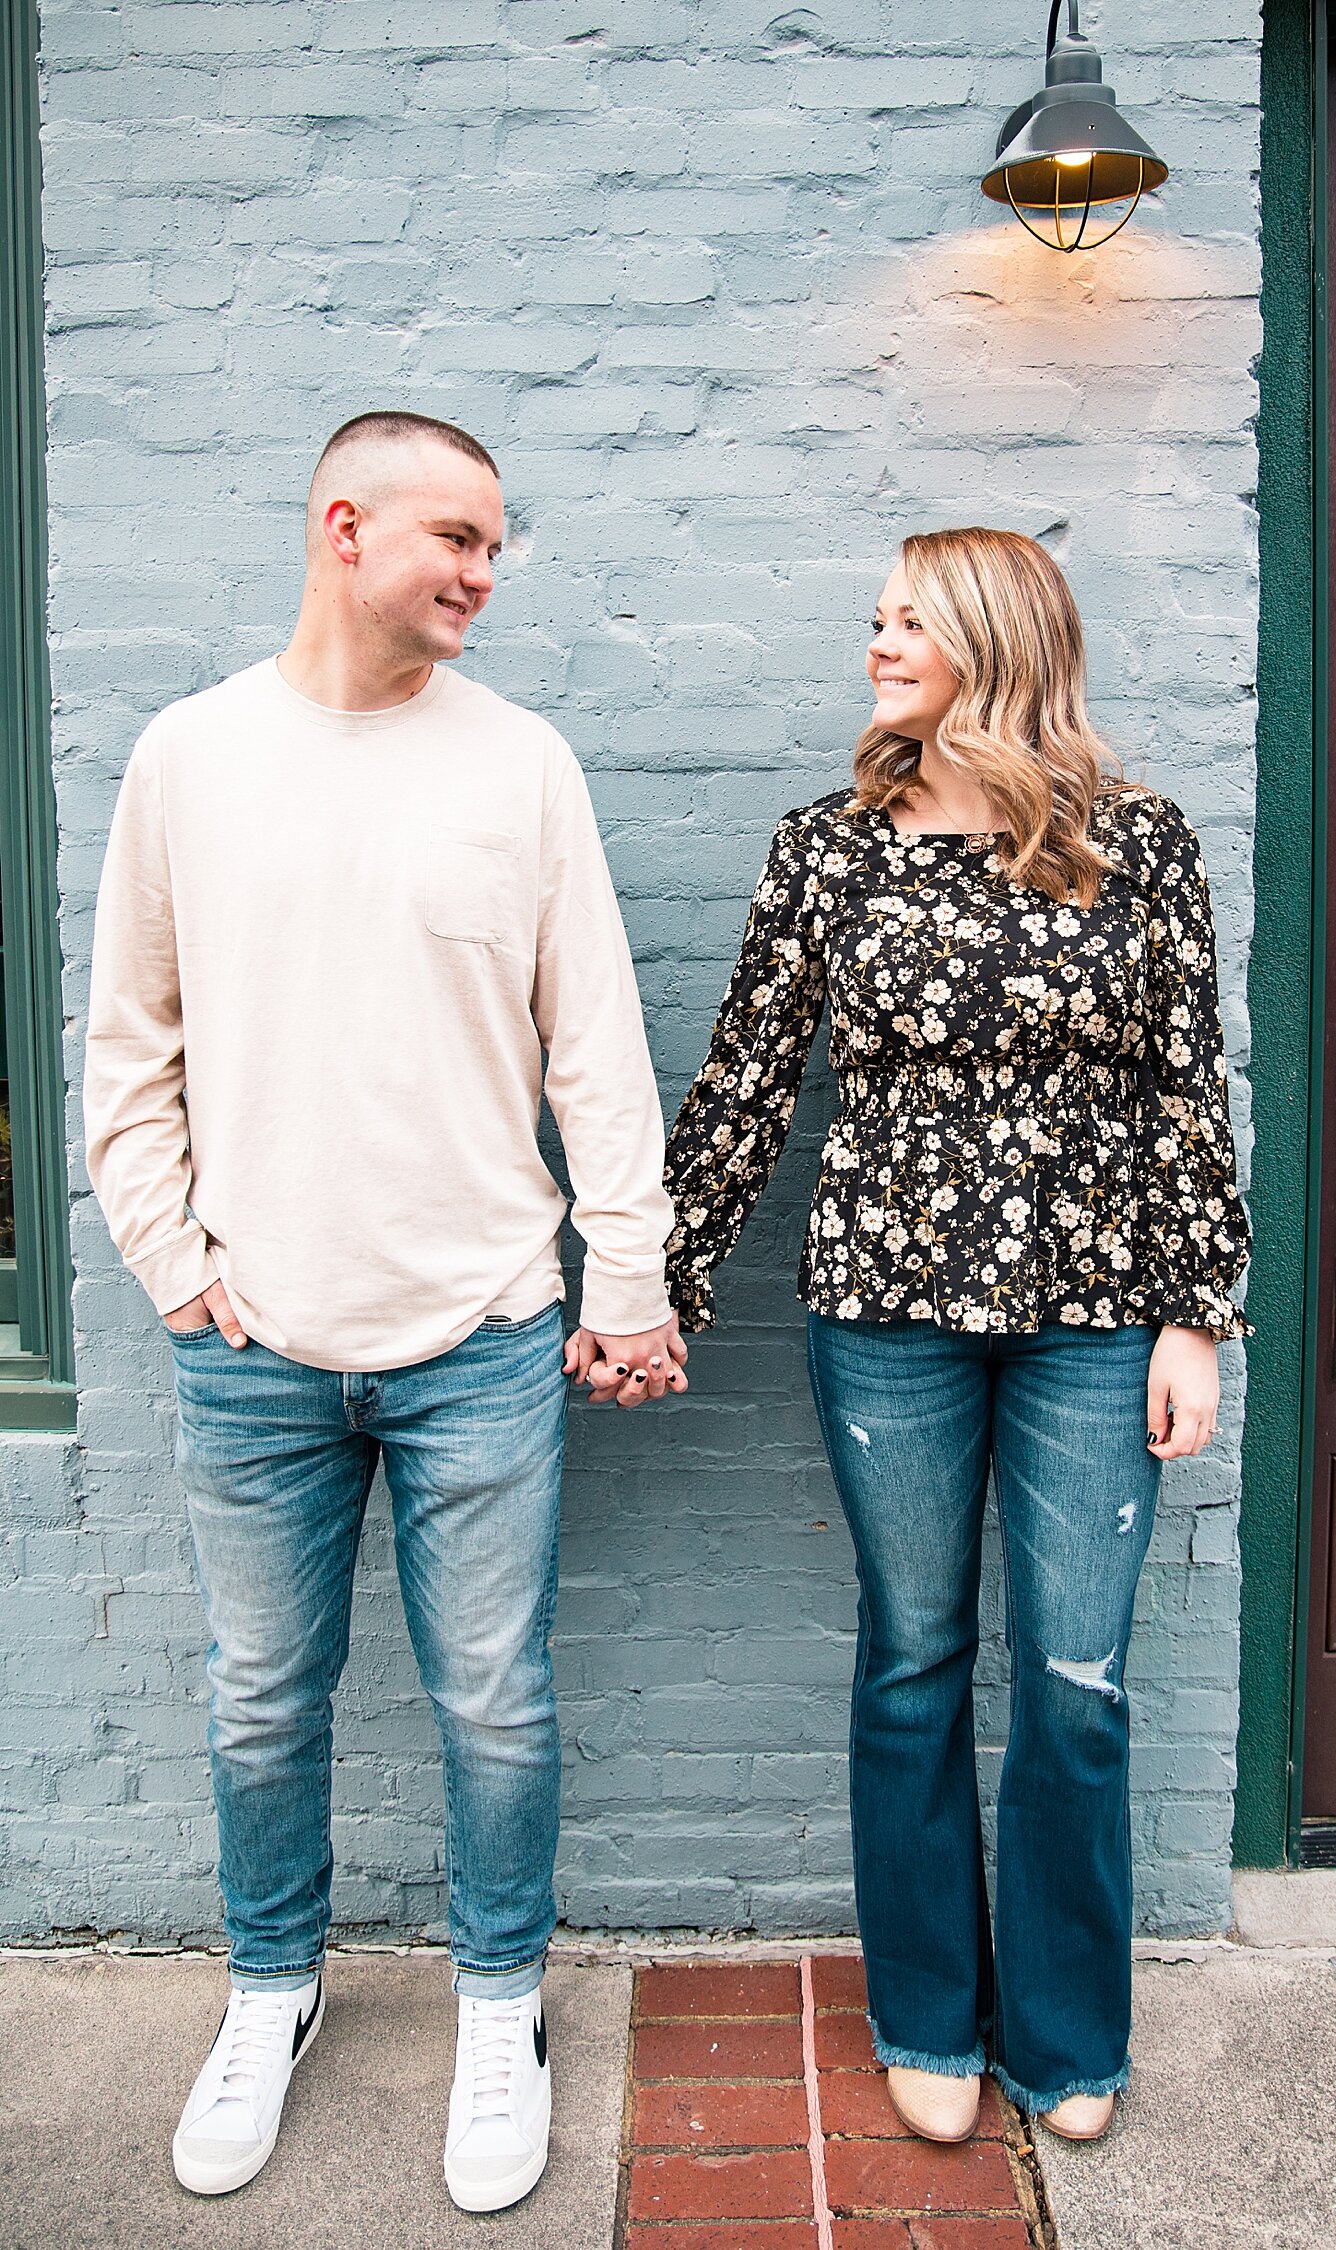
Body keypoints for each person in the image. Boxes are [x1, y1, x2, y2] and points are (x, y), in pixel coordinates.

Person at [83, 410, 686, 2210]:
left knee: (494, 1698)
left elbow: (598, 1050)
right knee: (263, 1698)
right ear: (346, 525)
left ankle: (500, 2005)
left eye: (499, 545)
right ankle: (271, 1989)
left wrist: (626, 1271)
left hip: (487, 1334)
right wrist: (179, 1270)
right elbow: (129, 1052)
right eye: (460, 538)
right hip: (256, 1346)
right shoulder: (188, 759)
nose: (485, 573)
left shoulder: (523, 769)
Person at [660, 527, 1249, 2146]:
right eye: (875, 615)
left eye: (909, 616)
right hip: (888, 1324)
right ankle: (928, 2007)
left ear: (995, 635)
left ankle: (1065, 2035)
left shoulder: (1146, 846)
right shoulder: (828, 850)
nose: (878, 640)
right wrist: (660, 1276)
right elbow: (745, 1085)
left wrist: (1194, 1318)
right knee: (913, 1661)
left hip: (1090, 1318)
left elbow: (1185, 1090)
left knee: (1076, 1680)